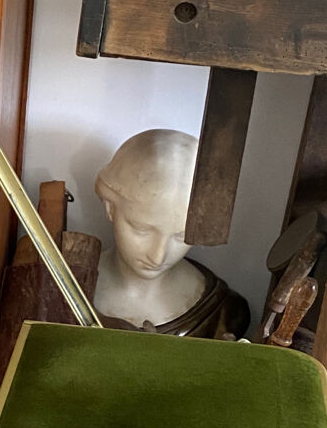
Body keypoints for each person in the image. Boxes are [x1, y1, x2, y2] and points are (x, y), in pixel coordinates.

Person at [94, 129, 249, 339]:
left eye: (182, 235)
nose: (158, 256)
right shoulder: (59, 285)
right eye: (141, 229)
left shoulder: (224, 314)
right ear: (109, 207)